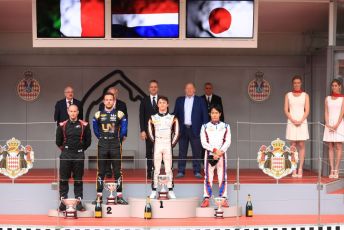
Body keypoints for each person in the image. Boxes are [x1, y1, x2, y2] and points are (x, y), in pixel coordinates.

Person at [93, 92, 128, 204]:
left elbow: (124, 128)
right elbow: (95, 130)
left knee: (117, 171)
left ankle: (119, 196)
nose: (108, 101)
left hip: (115, 144)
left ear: (114, 101)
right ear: (104, 101)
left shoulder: (120, 114)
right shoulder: (98, 114)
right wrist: (102, 137)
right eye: (106, 100)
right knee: (101, 171)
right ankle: (99, 196)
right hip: (102, 143)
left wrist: (118, 137)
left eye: (110, 100)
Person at [56, 105, 91, 211]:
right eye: (71, 111)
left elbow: (88, 142)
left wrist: (79, 149)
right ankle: (63, 203)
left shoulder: (84, 125)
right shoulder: (62, 125)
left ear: (78, 112)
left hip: (79, 155)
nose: (73, 113)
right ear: (68, 111)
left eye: (75, 111)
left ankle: (79, 203)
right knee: (63, 179)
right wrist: (66, 150)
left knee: (78, 180)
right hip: (66, 154)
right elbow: (58, 141)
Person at [174, 83, 209, 178]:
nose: (189, 90)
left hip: (196, 129)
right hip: (183, 129)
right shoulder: (179, 100)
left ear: (194, 90)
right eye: (187, 88)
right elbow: (175, 115)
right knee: (182, 151)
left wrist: (205, 130)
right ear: (185, 90)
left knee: (197, 151)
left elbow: (205, 116)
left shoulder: (200, 100)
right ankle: (181, 171)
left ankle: (197, 171)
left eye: (191, 88)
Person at [147, 96, 180, 199]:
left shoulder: (173, 117)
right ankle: (154, 190)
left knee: (168, 168)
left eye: (164, 102)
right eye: (160, 102)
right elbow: (149, 131)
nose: (162, 104)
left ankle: (170, 189)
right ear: (157, 104)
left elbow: (177, 132)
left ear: (167, 104)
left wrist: (171, 144)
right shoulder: (152, 117)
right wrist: (155, 141)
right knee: (155, 168)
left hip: (167, 144)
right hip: (157, 143)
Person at [200, 105, 231, 207]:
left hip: (222, 154)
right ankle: (206, 198)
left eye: (216, 113)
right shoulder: (205, 126)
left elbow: (228, 141)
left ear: (220, 114)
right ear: (210, 114)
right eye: (212, 113)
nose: (214, 115)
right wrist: (214, 151)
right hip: (209, 154)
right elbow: (203, 142)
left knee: (222, 176)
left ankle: (223, 198)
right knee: (208, 176)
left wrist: (220, 152)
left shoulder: (226, 126)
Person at [99, 87, 128, 178]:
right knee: (105, 153)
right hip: (105, 133)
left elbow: (125, 120)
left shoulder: (122, 104)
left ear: (117, 94)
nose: (112, 95)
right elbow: (99, 120)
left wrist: (124, 133)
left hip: (117, 133)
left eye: (114, 93)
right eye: (110, 93)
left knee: (117, 153)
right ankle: (108, 170)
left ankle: (116, 171)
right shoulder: (101, 105)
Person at [284, 75, 310, 178]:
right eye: (295, 83)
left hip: (302, 121)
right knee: (293, 145)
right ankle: (293, 168)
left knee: (302, 144)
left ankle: (300, 169)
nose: (296, 84)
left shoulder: (305, 95)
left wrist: (301, 120)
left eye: (298, 83)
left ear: (301, 83)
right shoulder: (288, 95)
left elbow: (307, 110)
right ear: (292, 84)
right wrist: (292, 119)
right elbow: (286, 109)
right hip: (292, 121)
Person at [323, 79, 344, 179]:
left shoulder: (343, 99)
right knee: (330, 146)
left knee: (338, 146)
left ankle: (336, 169)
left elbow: (342, 113)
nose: (334, 87)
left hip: (339, 124)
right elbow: (326, 112)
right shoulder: (327, 98)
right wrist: (327, 123)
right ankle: (332, 169)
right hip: (329, 124)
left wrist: (336, 125)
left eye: (336, 85)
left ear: (340, 86)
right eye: (332, 86)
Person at [139, 80, 159, 179]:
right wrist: (142, 130)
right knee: (149, 151)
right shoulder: (144, 100)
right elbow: (141, 116)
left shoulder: (161, 100)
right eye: (151, 87)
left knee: (158, 151)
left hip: (160, 131)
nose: (153, 88)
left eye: (155, 87)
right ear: (149, 88)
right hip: (148, 131)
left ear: (157, 88)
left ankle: (157, 170)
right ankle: (149, 170)